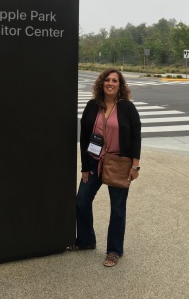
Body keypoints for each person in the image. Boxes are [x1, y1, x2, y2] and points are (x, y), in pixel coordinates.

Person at [67, 68, 141, 267]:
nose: (110, 83)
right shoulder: (92, 106)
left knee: (117, 209)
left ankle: (114, 251)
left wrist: (135, 166)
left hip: (118, 164)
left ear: (120, 85)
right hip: (94, 162)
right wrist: (84, 167)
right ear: (101, 83)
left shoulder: (127, 108)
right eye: (107, 80)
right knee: (81, 201)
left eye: (115, 80)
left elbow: (136, 137)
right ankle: (86, 241)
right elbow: (83, 138)